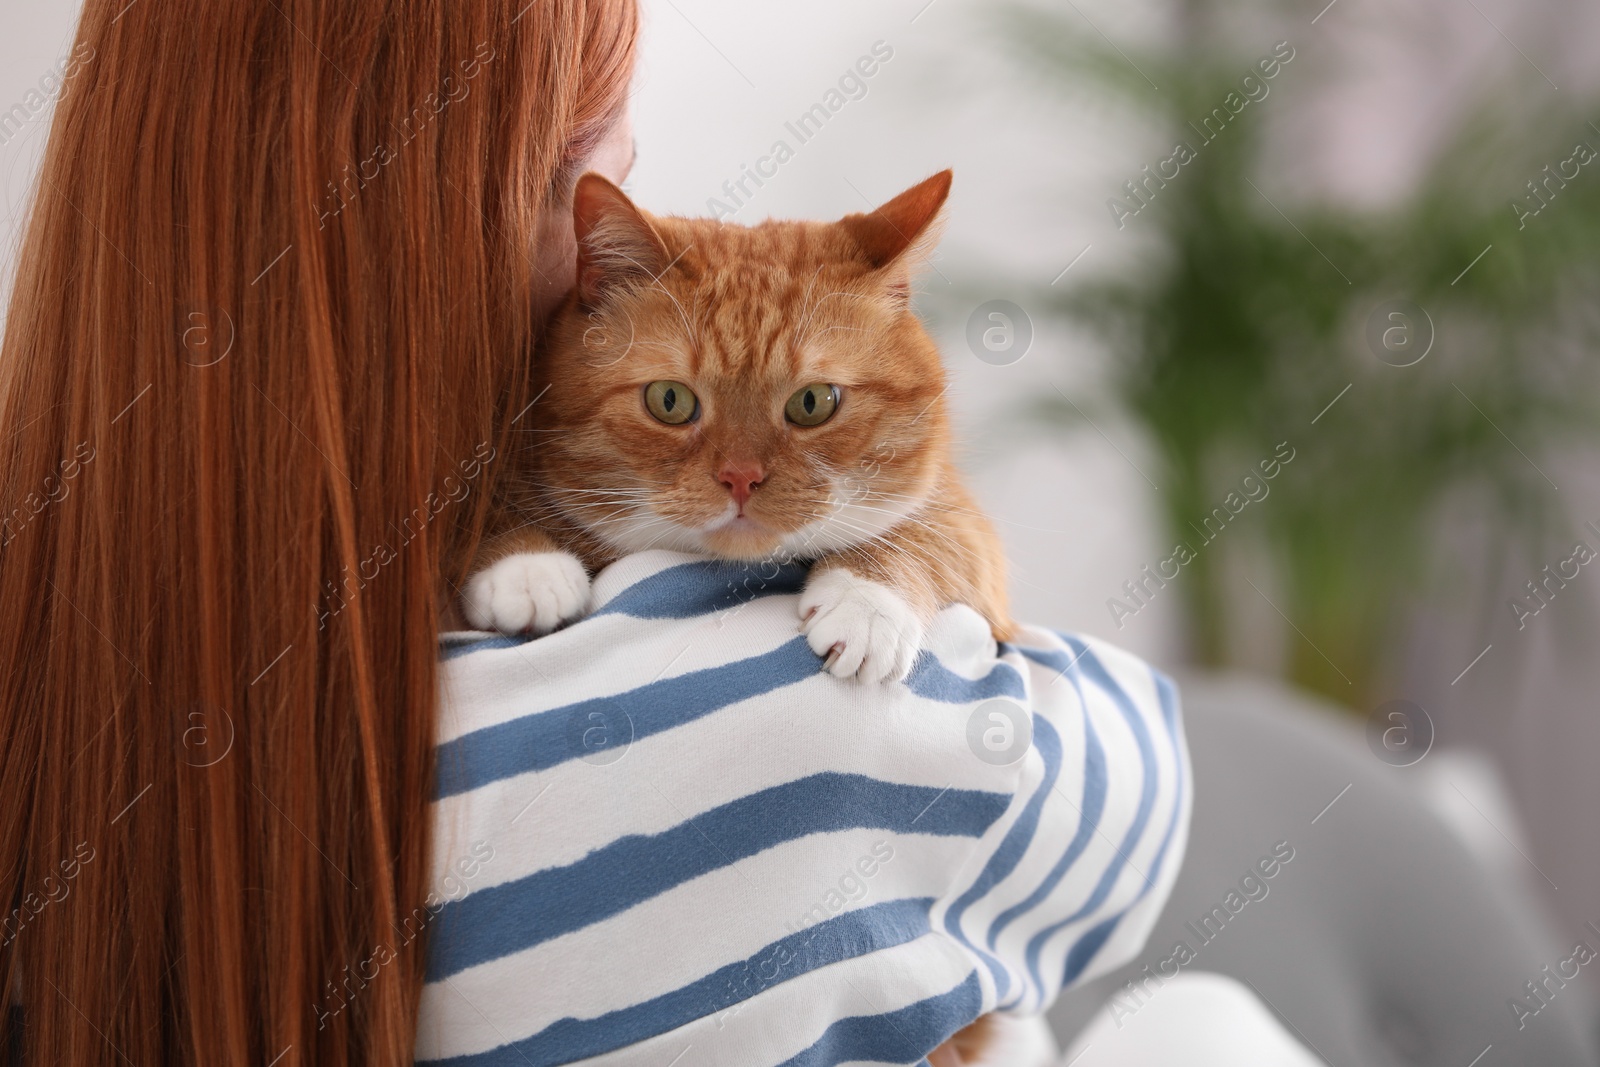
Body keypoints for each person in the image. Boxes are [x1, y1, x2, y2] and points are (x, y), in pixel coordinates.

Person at [0, 0, 1188, 1062]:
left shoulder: (65, 712)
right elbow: (1134, 793)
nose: (737, 471)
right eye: (600, 154)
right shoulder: (801, 735)